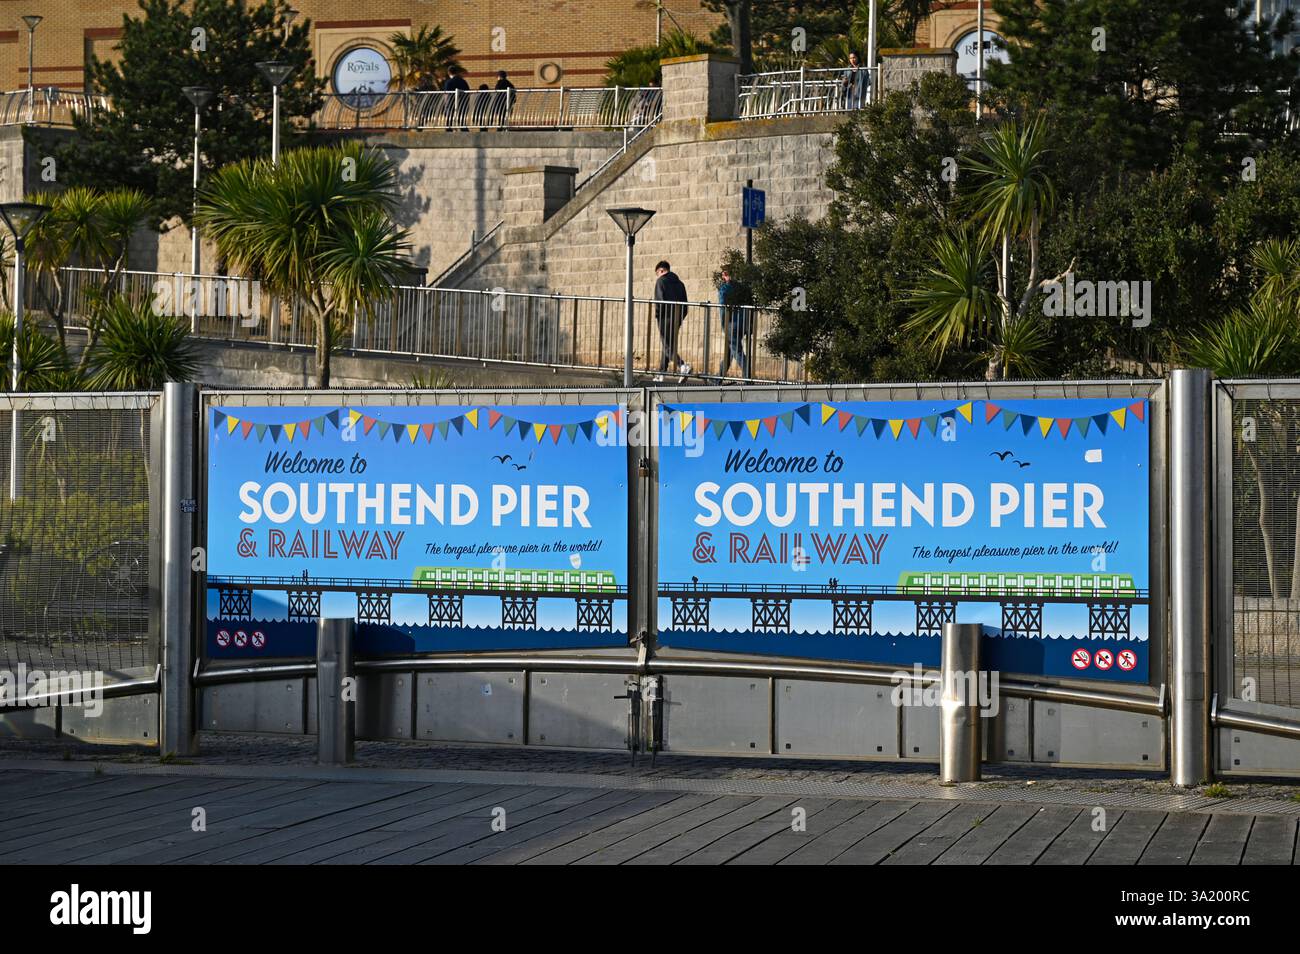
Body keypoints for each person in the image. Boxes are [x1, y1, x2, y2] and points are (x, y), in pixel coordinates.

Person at [653, 260, 689, 375]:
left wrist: (658, 316)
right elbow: (685, 305)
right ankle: (661, 373)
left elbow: (660, 301)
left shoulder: (661, 281)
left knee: (668, 346)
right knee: (668, 345)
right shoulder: (680, 283)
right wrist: (680, 318)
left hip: (665, 318)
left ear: (661, 270)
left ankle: (682, 365)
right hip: (677, 318)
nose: (657, 276)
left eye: (657, 273)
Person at [716, 268, 752, 378]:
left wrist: (723, 325)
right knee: (730, 351)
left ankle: (748, 378)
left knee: (737, 351)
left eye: (724, 274)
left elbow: (723, 309)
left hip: (732, 324)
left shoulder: (725, 289)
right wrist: (749, 325)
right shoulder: (744, 289)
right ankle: (718, 378)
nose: (723, 277)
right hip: (743, 323)